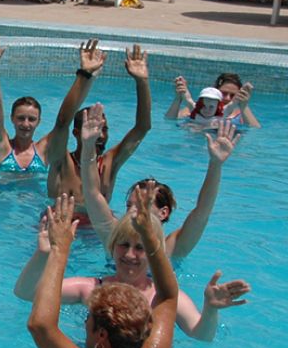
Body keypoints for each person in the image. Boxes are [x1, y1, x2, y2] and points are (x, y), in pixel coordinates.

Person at [14, 187, 250, 342]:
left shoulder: (163, 297)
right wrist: (43, 253)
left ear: (153, 253)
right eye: (123, 245)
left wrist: (210, 310)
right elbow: (26, 293)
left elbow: (200, 335)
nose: (130, 255)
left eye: (140, 248)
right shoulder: (91, 288)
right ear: (112, 246)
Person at [26, 188, 177, 348]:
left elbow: (40, 325)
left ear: (102, 336)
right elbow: (169, 296)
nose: (85, 322)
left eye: (89, 318)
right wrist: (148, 236)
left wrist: (59, 250)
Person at [80, 106, 238, 262]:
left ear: (164, 213)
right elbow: (92, 193)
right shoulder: (114, 238)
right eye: (129, 206)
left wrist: (216, 164)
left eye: (142, 206)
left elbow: (202, 212)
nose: (132, 212)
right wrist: (88, 146)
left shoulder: (171, 250)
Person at [44, 39, 151, 206]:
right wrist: (84, 74)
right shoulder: (62, 161)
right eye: (93, 128)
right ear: (76, 133)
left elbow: (142, 128)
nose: (100, 135)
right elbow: (62, 122)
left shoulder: (108, 164)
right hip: (61, 221)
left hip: (97, 224)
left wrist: (142, 82)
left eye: (104, 129)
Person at [0, 32, 49, 172]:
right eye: (20, 118)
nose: (26, 124)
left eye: (32, 119)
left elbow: (64, 121)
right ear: (12, 118)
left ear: (39, 121)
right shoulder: (3, 146)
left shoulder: (44, 150)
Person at [169, 73, 261, 128]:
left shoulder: (239, 115)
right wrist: (178, 98)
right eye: (224, 93)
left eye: (233, 95)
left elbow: (254, 130)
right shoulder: (196, 109)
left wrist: (243, 105)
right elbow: (170, 120)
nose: (227, 98)